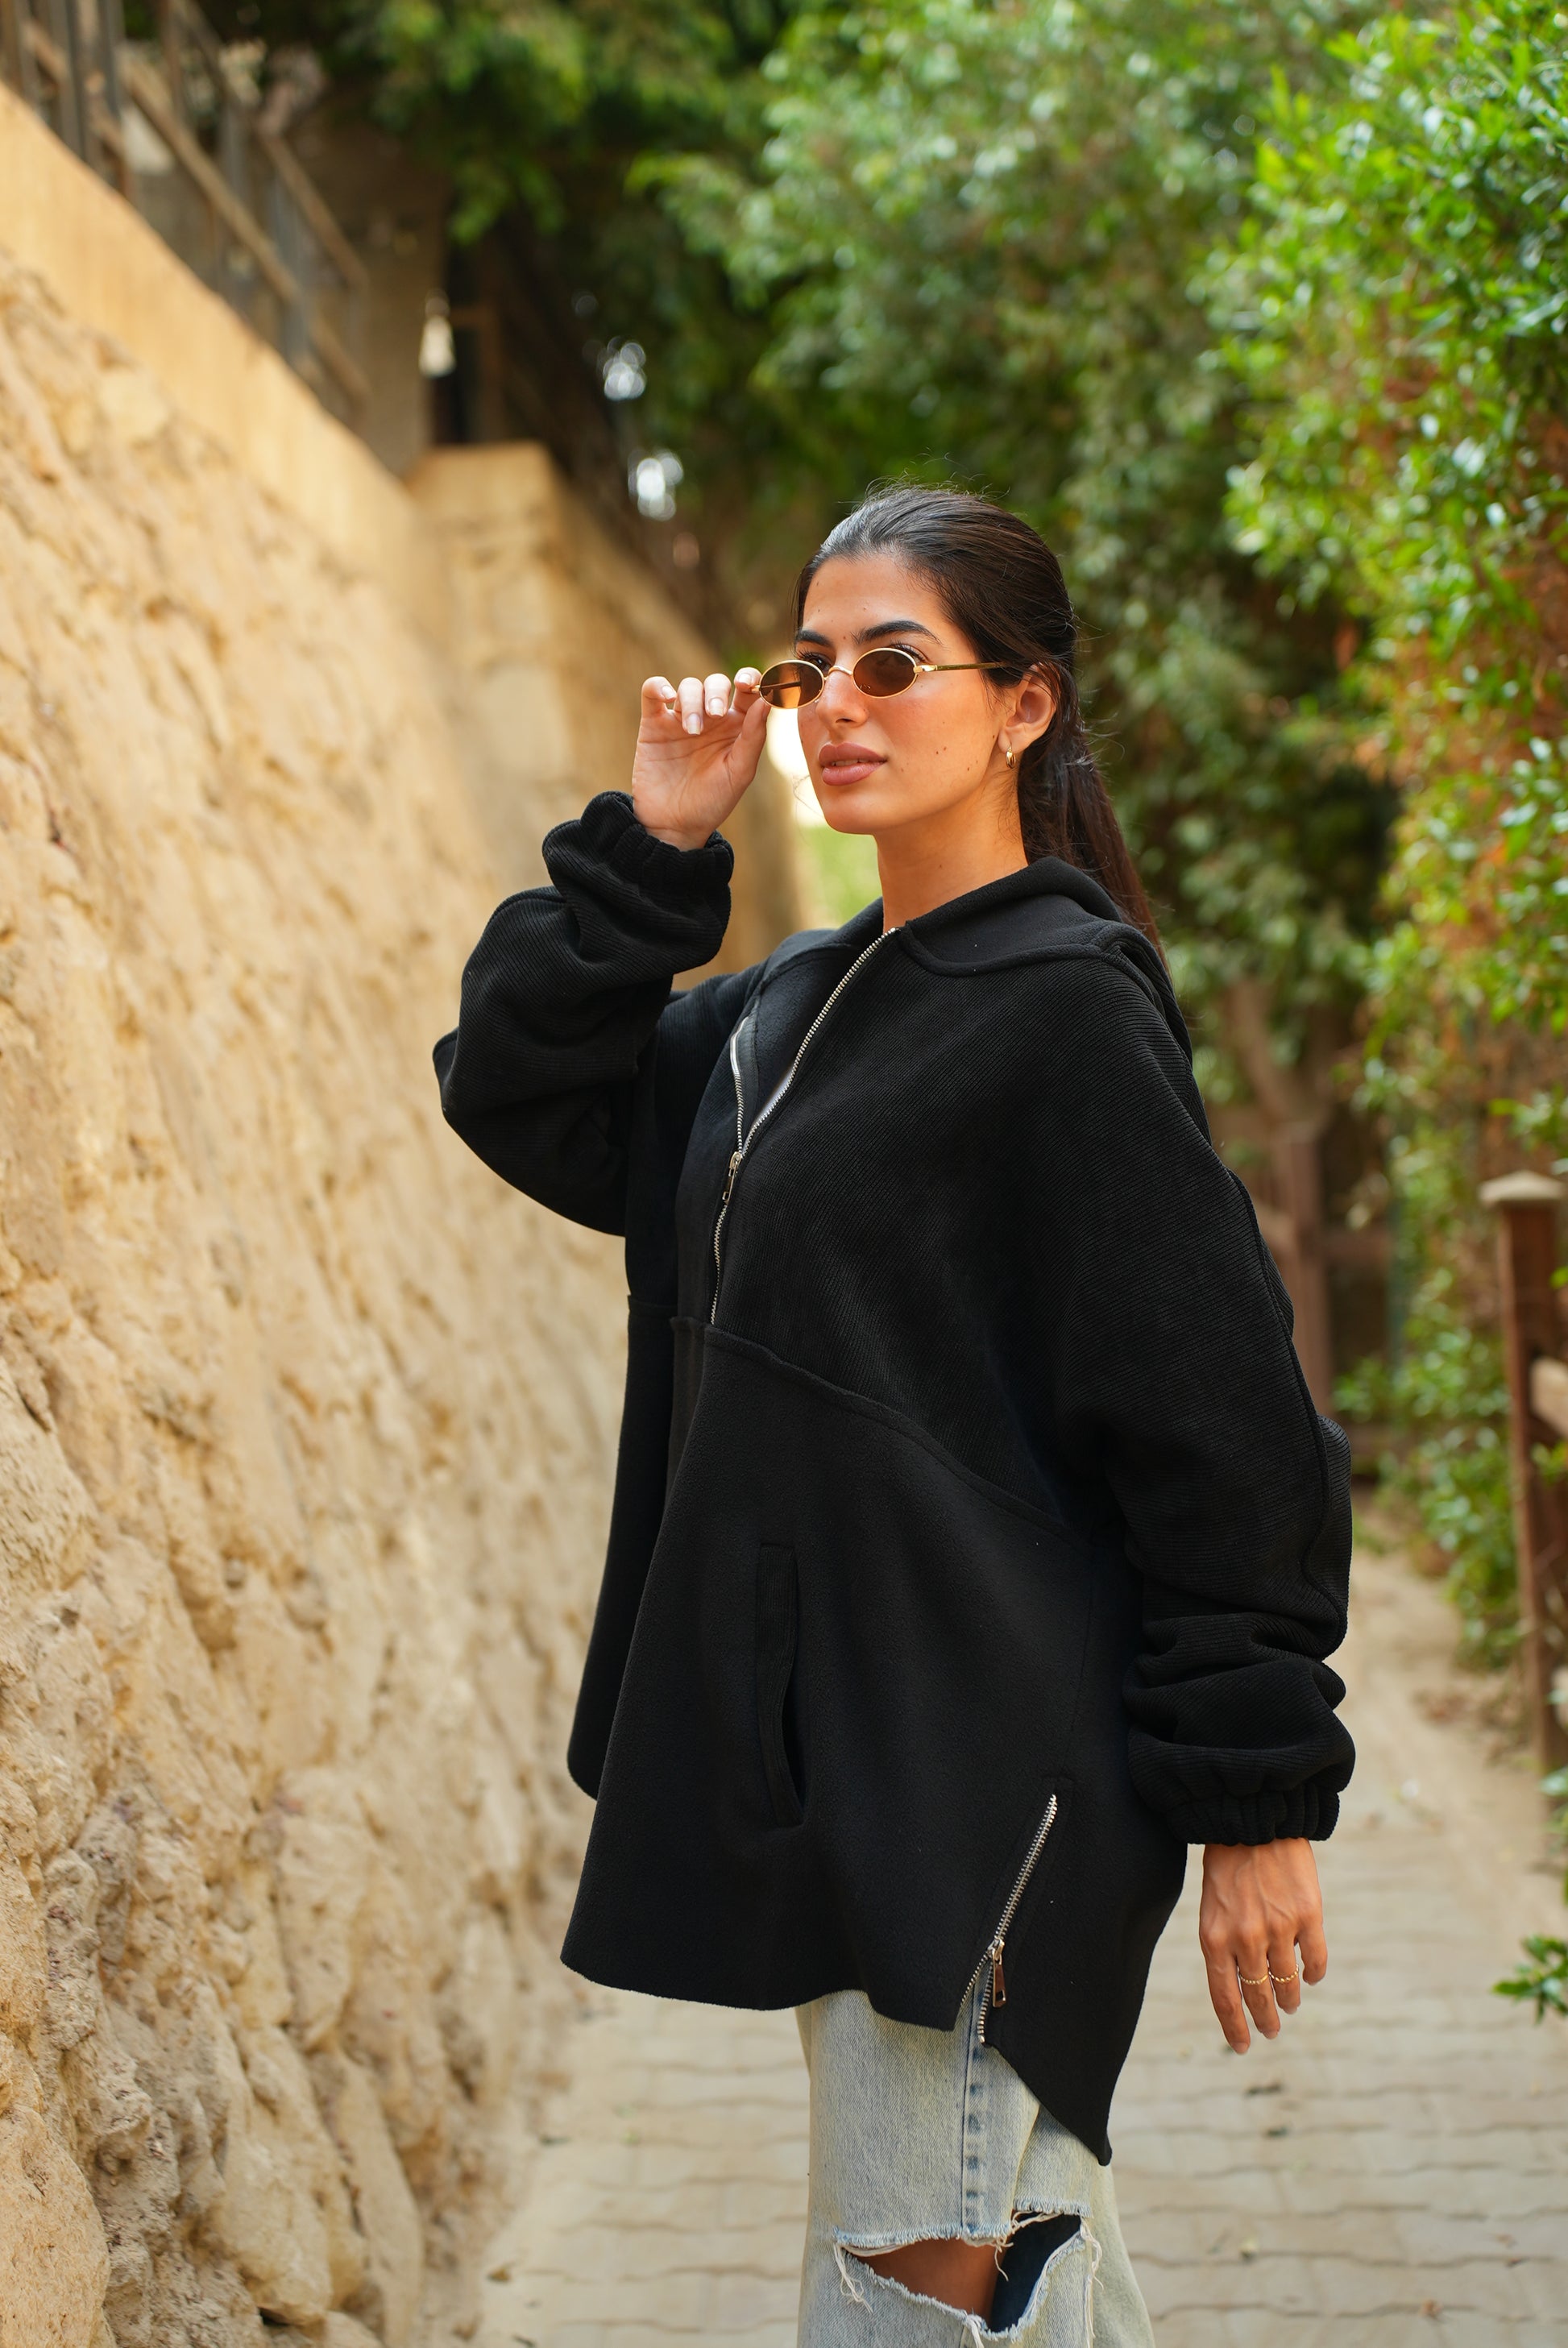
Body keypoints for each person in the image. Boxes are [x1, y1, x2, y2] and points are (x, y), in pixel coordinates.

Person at [433, 484, 1354, 2344]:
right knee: (1007, 2278)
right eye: (812, 668)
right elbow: (522, 1093)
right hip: (853, 1775)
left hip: (984, 1794)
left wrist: (1256, 1795)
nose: (838, 705)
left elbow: (1222, 1418)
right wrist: (656, 842)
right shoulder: (786, 1007)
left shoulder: (1064, 1012)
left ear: (1023, 703)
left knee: (915, 2291)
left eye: (894, 663)